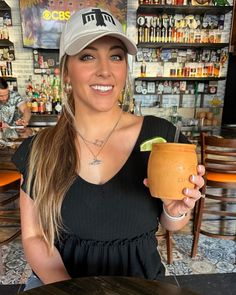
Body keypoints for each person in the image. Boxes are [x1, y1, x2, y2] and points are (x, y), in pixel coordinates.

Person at [12, 7, 205, 290]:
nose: (105, 70)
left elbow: (172, 223)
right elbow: (34, 237)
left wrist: (175, 210)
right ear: (66, 71)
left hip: (142, 286)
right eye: (88, 56)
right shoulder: (40, 149)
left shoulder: (161, 138)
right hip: (64, 287)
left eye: (115, 56)